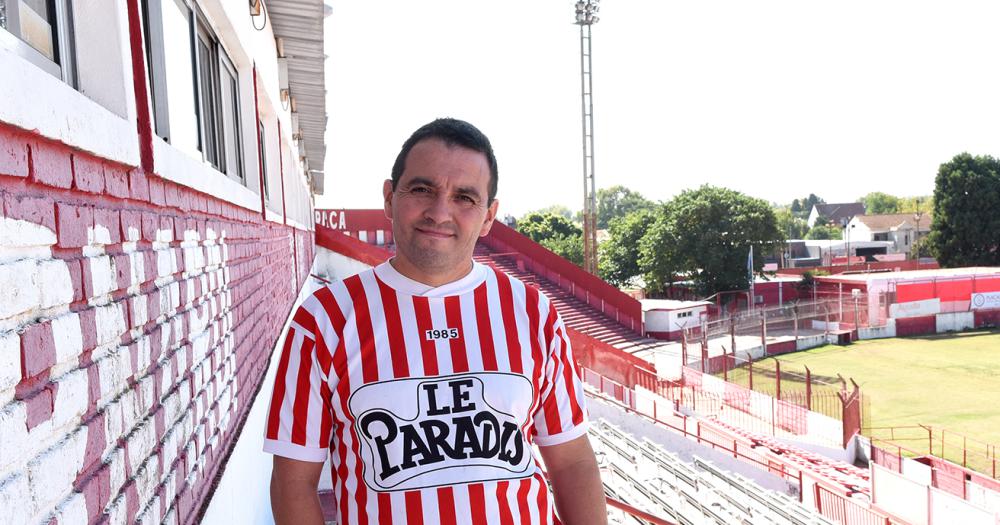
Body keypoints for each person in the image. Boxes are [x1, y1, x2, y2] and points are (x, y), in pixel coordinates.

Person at [265, 118, 607, 524]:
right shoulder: (323, 321)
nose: (440, 211)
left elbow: (571, 461)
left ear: (488, 216)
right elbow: (293, 481)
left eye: (465, 197)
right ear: (390, 197)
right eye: (423, 189)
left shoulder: (533, 313)